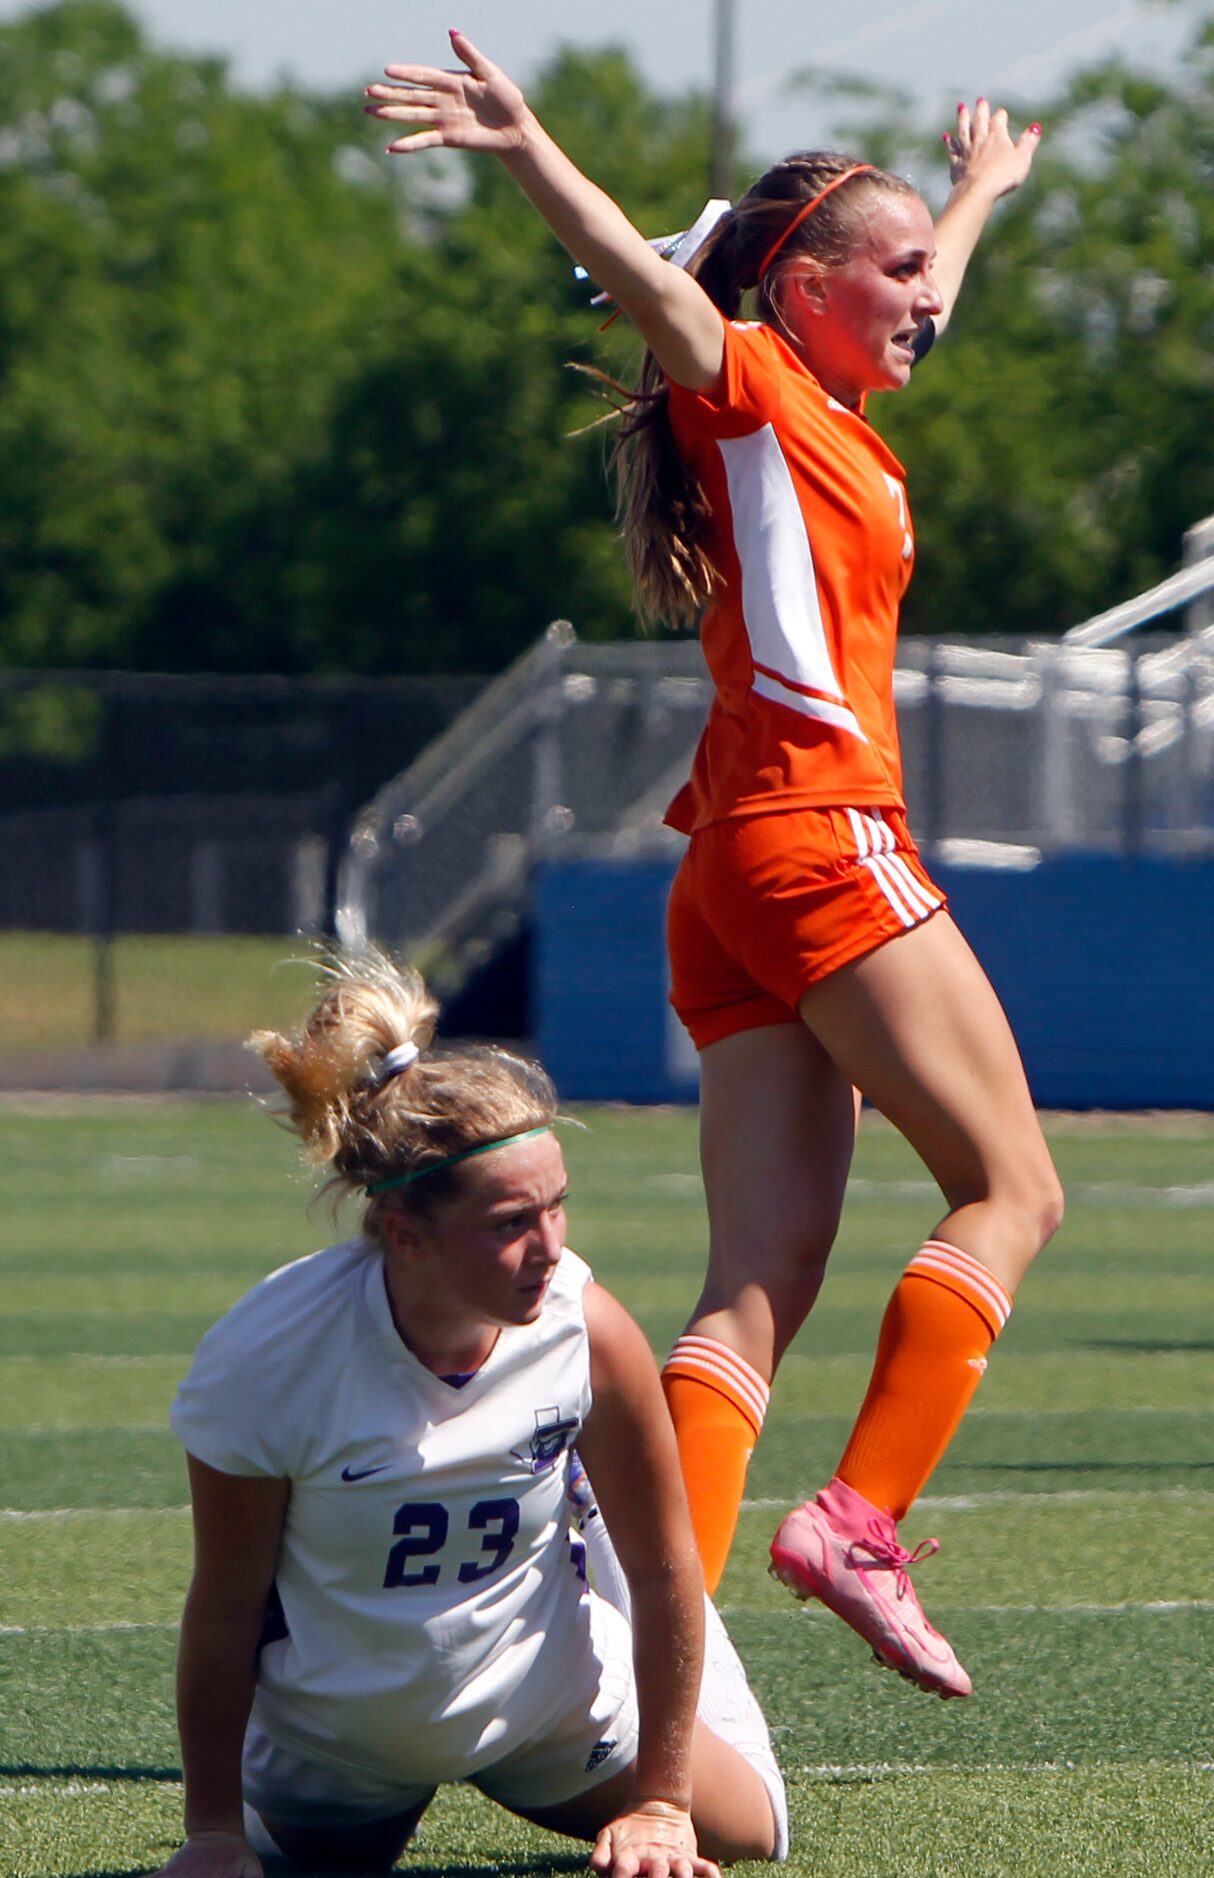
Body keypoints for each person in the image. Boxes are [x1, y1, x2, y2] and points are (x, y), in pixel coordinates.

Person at [365, 38, 1064, 1702]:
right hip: (818, 834)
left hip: (728, 871)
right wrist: (530, 150)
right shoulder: (747, 381)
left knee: (754, 1284)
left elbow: (914, 291)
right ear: (795, 287)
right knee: (1012, 1188)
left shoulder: (818, 400)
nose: (921, 301)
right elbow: (652, 284)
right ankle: (855, 1520)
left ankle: (623, 1638)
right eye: (887, 272)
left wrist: (969, 195)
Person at [156, 950, 787, 1878]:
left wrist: (662, 1802)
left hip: (544, 1700)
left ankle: (585, 1546)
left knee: (752, 1833)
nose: (549, 1249)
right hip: (342, 1743)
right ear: (405, 1234)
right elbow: (225, 1607)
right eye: (508, 1225)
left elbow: (664, 1568)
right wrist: (210, 1832)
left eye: (557, 1208)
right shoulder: (271, 1355)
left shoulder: (586, 1327)